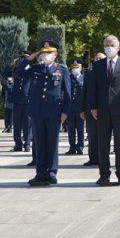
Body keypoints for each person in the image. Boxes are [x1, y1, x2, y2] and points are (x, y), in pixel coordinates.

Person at [87, 36, 120, 186]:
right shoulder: (98, 65)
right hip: (102, 111)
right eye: (106, 45)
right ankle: (104, 175)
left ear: (118, 47)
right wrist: (93, 107)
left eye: (112, 45)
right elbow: (92, 88)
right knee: (103, 144)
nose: (109, 47)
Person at [24, 42, 71, 185]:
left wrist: (65, 112)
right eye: (43, 52)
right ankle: (40, 173)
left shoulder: (61, 70)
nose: (45, 55)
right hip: (37, 111)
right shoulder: (34, 69)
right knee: (39, 143)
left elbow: (67, 94)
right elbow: (18, 72)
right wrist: (31, 57)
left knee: (52, 143)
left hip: (54, 111)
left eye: (48, 53)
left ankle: (51, 172)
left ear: (55, 55)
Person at [81, 53, 105, 168]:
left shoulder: (108, 73)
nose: (98, 60)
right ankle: (93, 158)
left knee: (103, 136)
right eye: (97, 58)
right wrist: (82, 109)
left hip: (104, 110)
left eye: (101, 58)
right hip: (90, 109)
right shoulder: (89, 74)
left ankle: (103, 159)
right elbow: (84, 92)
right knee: (92, 136)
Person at [11, 51, 33, 153]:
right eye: (21, 58)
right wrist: (12, 63)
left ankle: (27, 143)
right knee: (17, 124)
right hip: (17, 101)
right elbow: (7, 73)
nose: (22, 60)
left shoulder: (31, 70)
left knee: (27, 125)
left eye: (25, 58)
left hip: (27, 101)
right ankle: (18, 144)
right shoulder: (17, 70)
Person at [64, 59, 85, 155]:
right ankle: (72, 147)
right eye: (73, 68)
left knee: (80, 129)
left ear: (81, 68)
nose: (74, 69)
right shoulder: (68, 78)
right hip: (70, 108)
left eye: (77, 68)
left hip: (80, 109)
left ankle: (80, 146)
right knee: (71, 130)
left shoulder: (84, 79)